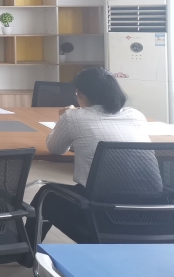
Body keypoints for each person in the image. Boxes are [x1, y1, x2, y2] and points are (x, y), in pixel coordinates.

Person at [25, 67, 150, 246]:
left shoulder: (73, 117)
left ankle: (26, 252)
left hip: (101, 213)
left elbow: (55, 148)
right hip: (150, 212)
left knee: (46, 195)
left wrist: (64, 118)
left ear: (81, 93)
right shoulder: (135, 115)